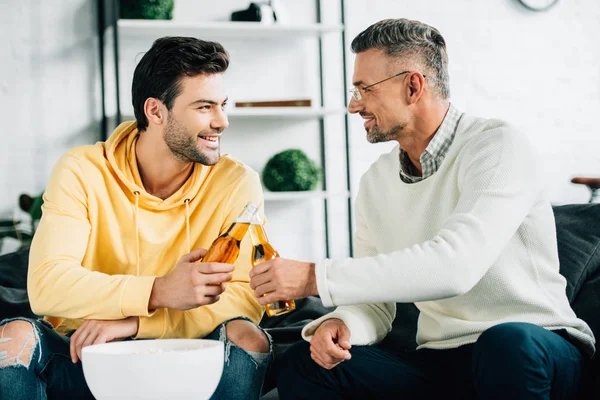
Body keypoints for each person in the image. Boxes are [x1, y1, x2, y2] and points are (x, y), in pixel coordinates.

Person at [249, 18, 595, 399]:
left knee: (508, 343)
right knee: (306, 363)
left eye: (364, 89)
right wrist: (344, 323)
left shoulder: (497, 147)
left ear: (413, 86)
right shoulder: (376, 183)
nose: (353, 105)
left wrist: (316, 277)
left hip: (537, 345)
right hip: (443, 360)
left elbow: (456, 265)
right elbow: (375, 307)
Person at [0, 36, 272, 400]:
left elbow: (245, 295)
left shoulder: (237, 182)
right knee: (11, 338)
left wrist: (139, 320)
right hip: (86, 353)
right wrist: (160, 290)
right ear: (155, 112)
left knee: (247, 336)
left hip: (188, 354)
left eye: (222, 105)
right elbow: (48, 285)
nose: (222, 121)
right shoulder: (82, 170)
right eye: (205, 107)